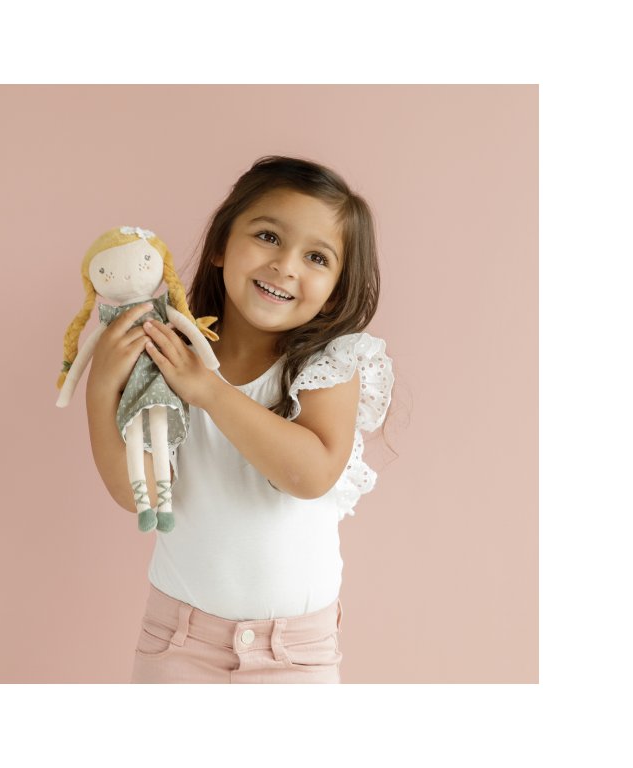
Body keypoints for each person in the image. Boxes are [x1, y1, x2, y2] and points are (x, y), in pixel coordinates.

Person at [84, 156, 394, 683]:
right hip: (178, 641)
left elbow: (310, 474)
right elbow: (140, 491)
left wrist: (208, 390)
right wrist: (101, 391)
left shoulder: (328, 365)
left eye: (316, 257)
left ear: (336, 291)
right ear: (221, 247)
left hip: (295, 654)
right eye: (268, 237)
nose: (286, 266)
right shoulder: (173, 355)